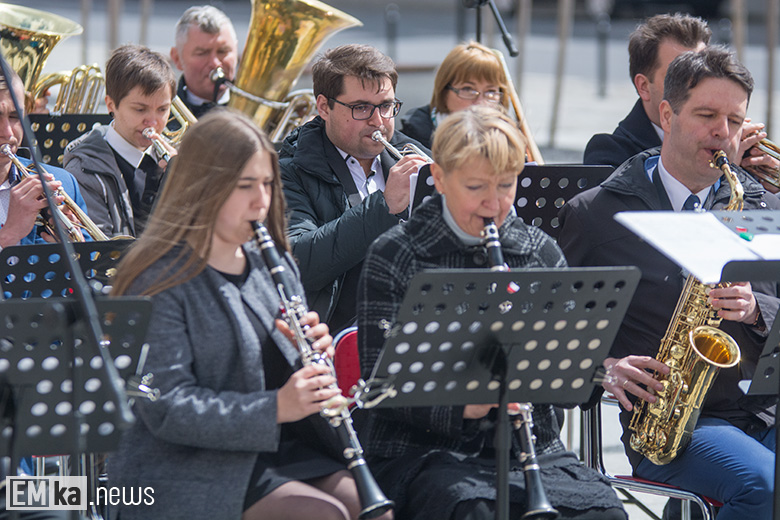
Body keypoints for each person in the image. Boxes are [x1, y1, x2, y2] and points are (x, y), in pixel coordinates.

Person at [108, 109, 390, 520]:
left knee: (372, 510)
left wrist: (310, 355)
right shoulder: (158, 280)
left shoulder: (272, 262)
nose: (262, 201)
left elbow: (282, 374)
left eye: (267, 185)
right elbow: (167, 406)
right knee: (321, 514)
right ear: (204, 188)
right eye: (245, 187)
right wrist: (276, 407)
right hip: (184, 465)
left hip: (274, 448)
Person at [357, 105, 626, 520]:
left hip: (528, 447)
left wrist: (599, 369)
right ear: (442, 180)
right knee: (474, 511)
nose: (494, 203)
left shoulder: (537, 250)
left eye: (505, 186)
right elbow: (382, 386)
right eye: (476, 187)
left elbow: (565, 375)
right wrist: (469, 404)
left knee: (603, 514)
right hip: (421, 451)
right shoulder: (396, 254)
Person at [559, 47, 780, 520]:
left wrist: (759, 309)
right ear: (666, 113)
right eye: (706, 115)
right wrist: (605, 367)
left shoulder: (764, 208)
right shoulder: (598, 215)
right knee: (766, 486)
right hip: (674, 426)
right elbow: (551, 339)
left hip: (763, 411)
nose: (723, 132)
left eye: (735, 120)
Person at [279, 44, 429, 334]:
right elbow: (298, 263)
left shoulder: (414, 154)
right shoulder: (289, 171)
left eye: (386, 106)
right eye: (361, 108)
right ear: (324, 107)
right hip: (337, 335)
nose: (378, 121)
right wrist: (385, 205)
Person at [64, 44, 177, 238]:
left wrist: (186, 184)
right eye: (140, 109)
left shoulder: (175, 158)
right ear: (111, 105)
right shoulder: (84, 170)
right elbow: (105, 254)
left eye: (162, 110)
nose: (153, 122)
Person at [583, 13, 710, 168]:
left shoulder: (726, 135)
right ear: (643, 86)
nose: (697, 86)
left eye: (704, 75)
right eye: (680, 76)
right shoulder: (611, 152)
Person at [0, 68, 87, 247]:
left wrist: (77, 251)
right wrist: (8, 236)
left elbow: (94, 272)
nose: (8, 132)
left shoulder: (65, 183)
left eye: (15, 116)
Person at [399, 41, 509, 150]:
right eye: (468, 89)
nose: (480, 101)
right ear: (444, 91)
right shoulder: (414, 137)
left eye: (491, 91)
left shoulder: (509, 136)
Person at [170, 5, 239, 118]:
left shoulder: (263, 109)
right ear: (177, 58)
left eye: (223, 51)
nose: (215, 63)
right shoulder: (162, 114)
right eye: (202, 53)